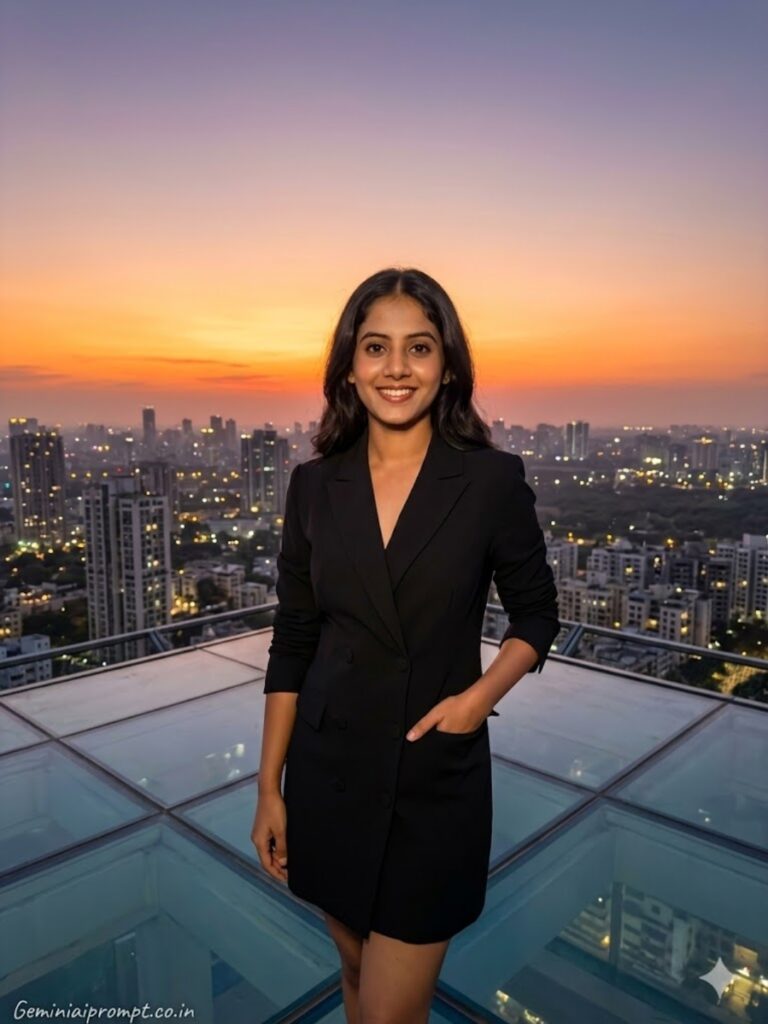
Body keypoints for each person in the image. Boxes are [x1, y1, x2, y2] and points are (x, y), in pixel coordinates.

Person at [251, 266, 560, 1023]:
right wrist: (268, 785)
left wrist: (476, 702)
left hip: (434, 780)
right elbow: (293, 639)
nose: (396, 368)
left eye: (419, 348)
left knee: (390, 1006)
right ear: (348, 367)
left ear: (448, 364)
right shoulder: (315, 485)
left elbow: (536, 617)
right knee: (357, 975)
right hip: (330, 773)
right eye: (376, 348)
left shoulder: (489, 481)